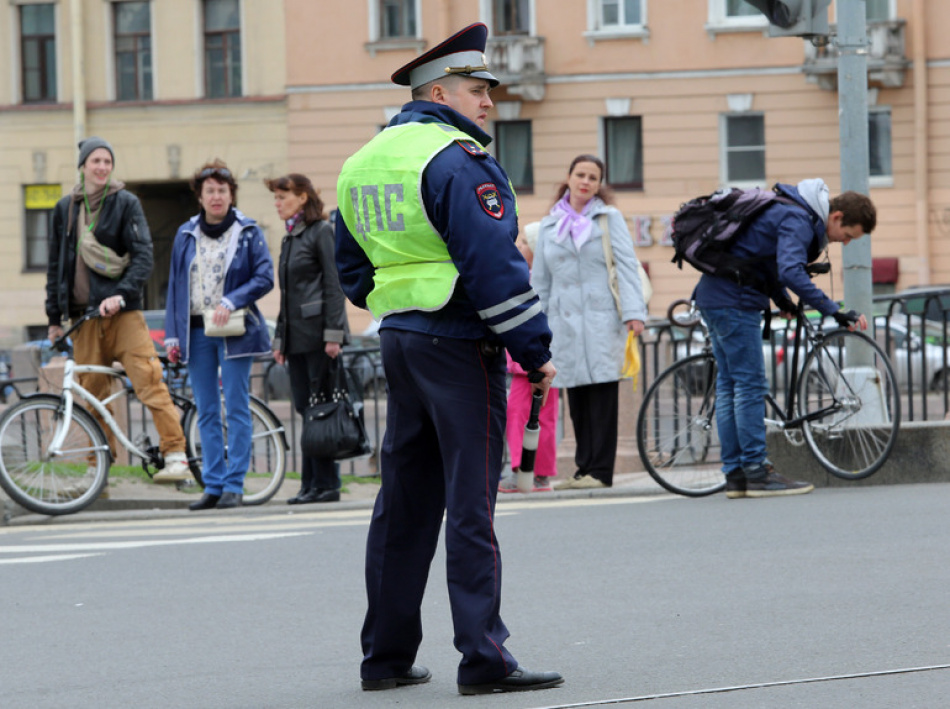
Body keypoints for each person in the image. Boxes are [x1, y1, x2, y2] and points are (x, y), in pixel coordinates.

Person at [335, 22, 564, 696]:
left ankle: (385, 656)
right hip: (462, 343)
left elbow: (352, 267)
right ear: (438, 91)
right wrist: (536, 349)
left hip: (401, 338)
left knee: (402, 504)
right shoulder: (457, 159)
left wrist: (401, 300)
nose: (488, 100)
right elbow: (493, 265)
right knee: (472, 505)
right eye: (476, 88)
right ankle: (485, 657)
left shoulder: (365, 160)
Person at [694, 178, 877, 498]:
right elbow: (791, 271)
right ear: (836, 217)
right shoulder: (800, 220)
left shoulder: (789, 210)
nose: (845, 243)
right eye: (847, 236)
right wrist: (835, 310)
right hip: (734, 303)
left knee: (729, 385)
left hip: (715, 296)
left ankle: (736, 475)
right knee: (749, 385)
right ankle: (755, 471)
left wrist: (782, 301)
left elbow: (764, 263)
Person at [45, 136, 191, 485]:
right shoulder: (65, 209)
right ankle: (100, 470)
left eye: (107, 162)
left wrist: (121, 295)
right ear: (83, 166)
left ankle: (176, 456)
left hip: (123, 314)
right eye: (95, 161)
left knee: (149, 382)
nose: (101, 167)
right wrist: (53, 317)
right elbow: (56, 266)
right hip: (84, 318)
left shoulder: (125, 203)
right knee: (92, 396)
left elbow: (143, 257)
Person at [532, 154, 648, 490]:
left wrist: (634, 313)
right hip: (563, 322)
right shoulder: (549, 225)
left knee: (602, 394)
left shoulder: (608, 219)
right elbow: (540, 281)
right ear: (568, 178)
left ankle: (601, 471)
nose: (585, 181)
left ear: (599, 185)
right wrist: (534, 326)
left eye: (593, 177)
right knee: (576, 398)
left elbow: (626, 266)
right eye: (580, 174)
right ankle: (583, 468)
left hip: (601, 319)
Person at [164, 160, 274, 510]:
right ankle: (212, 484)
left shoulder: (248, 231)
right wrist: (172, 337)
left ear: (231, 195)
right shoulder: (185, 235)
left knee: (237, 408)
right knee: (207, 410)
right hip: (196, 333)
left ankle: (234, 484)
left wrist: (233, 298)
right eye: (209, 191)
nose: (216, 197)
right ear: (200, 196)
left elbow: (265, 277)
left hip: (235, 331)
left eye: (222, 191)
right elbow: (175, 288)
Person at [266, 173, 348, 504]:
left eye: (282, 197)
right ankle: (311, 484)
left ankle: (325, 484)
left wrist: (333, 335)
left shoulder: (321, 232)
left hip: (318, 338)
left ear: (302, 197)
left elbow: (334, 284)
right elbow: (287, 297)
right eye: (275, 198)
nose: (277, 203)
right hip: (296, 339)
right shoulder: (290, 238)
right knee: (306, 410)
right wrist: (279, 342)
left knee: (321, 411)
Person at [499, 222, 560, 493]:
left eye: (524, 242)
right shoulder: (548, 281)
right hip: (548, 362)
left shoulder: (523, 280)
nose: (519, 245)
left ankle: (521, 471)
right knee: (545, 419)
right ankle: (541, 474)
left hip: (526, 364)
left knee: (518, 416)